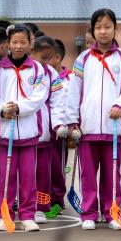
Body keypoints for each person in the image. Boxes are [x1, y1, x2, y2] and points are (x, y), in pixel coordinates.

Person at [66, 9, 121, 230]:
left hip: (114, 128)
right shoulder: (83, 59)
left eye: (107, 27)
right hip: (88, 128)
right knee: (88, 175)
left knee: (112, 175)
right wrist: (73, 121)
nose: (103, 31)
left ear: (114, 29)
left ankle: (111, 213)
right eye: (98, 27)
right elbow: (73, 91)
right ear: (93, 30)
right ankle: (88, 214)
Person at [0, 24, 48, 232]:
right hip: (5, 131)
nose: (18, 46)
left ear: (30, 43)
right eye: (14, 42)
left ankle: (28, 215)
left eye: (23, 42)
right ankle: (5, 215)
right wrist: (3, 110)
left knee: (28, 176)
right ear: (7, 44)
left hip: (29, 131)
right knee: (6, 176)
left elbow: (40, 96)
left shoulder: (37, 69)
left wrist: (20, 107)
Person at [30, 36, 67, 224]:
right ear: (32, 53)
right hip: (24, 134)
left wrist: (58, 124)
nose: (46, 62)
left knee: (43, 174)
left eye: (49, 57)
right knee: (24, 174)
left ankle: (40, 208)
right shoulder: (22, 71)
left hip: (44, 134)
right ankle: (24, 206)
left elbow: (58, 102)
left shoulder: (51, 74)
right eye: (42, 57)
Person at [49, 38, 71, 212]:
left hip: (60, 132)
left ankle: (57, 200)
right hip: (42, 130)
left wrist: (70, 126)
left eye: (46, 57)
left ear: (57, 57)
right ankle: (42, 197)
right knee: (42, 167)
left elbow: (71, 104)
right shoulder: (40, 75)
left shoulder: (70, 78)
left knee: (58, 166)